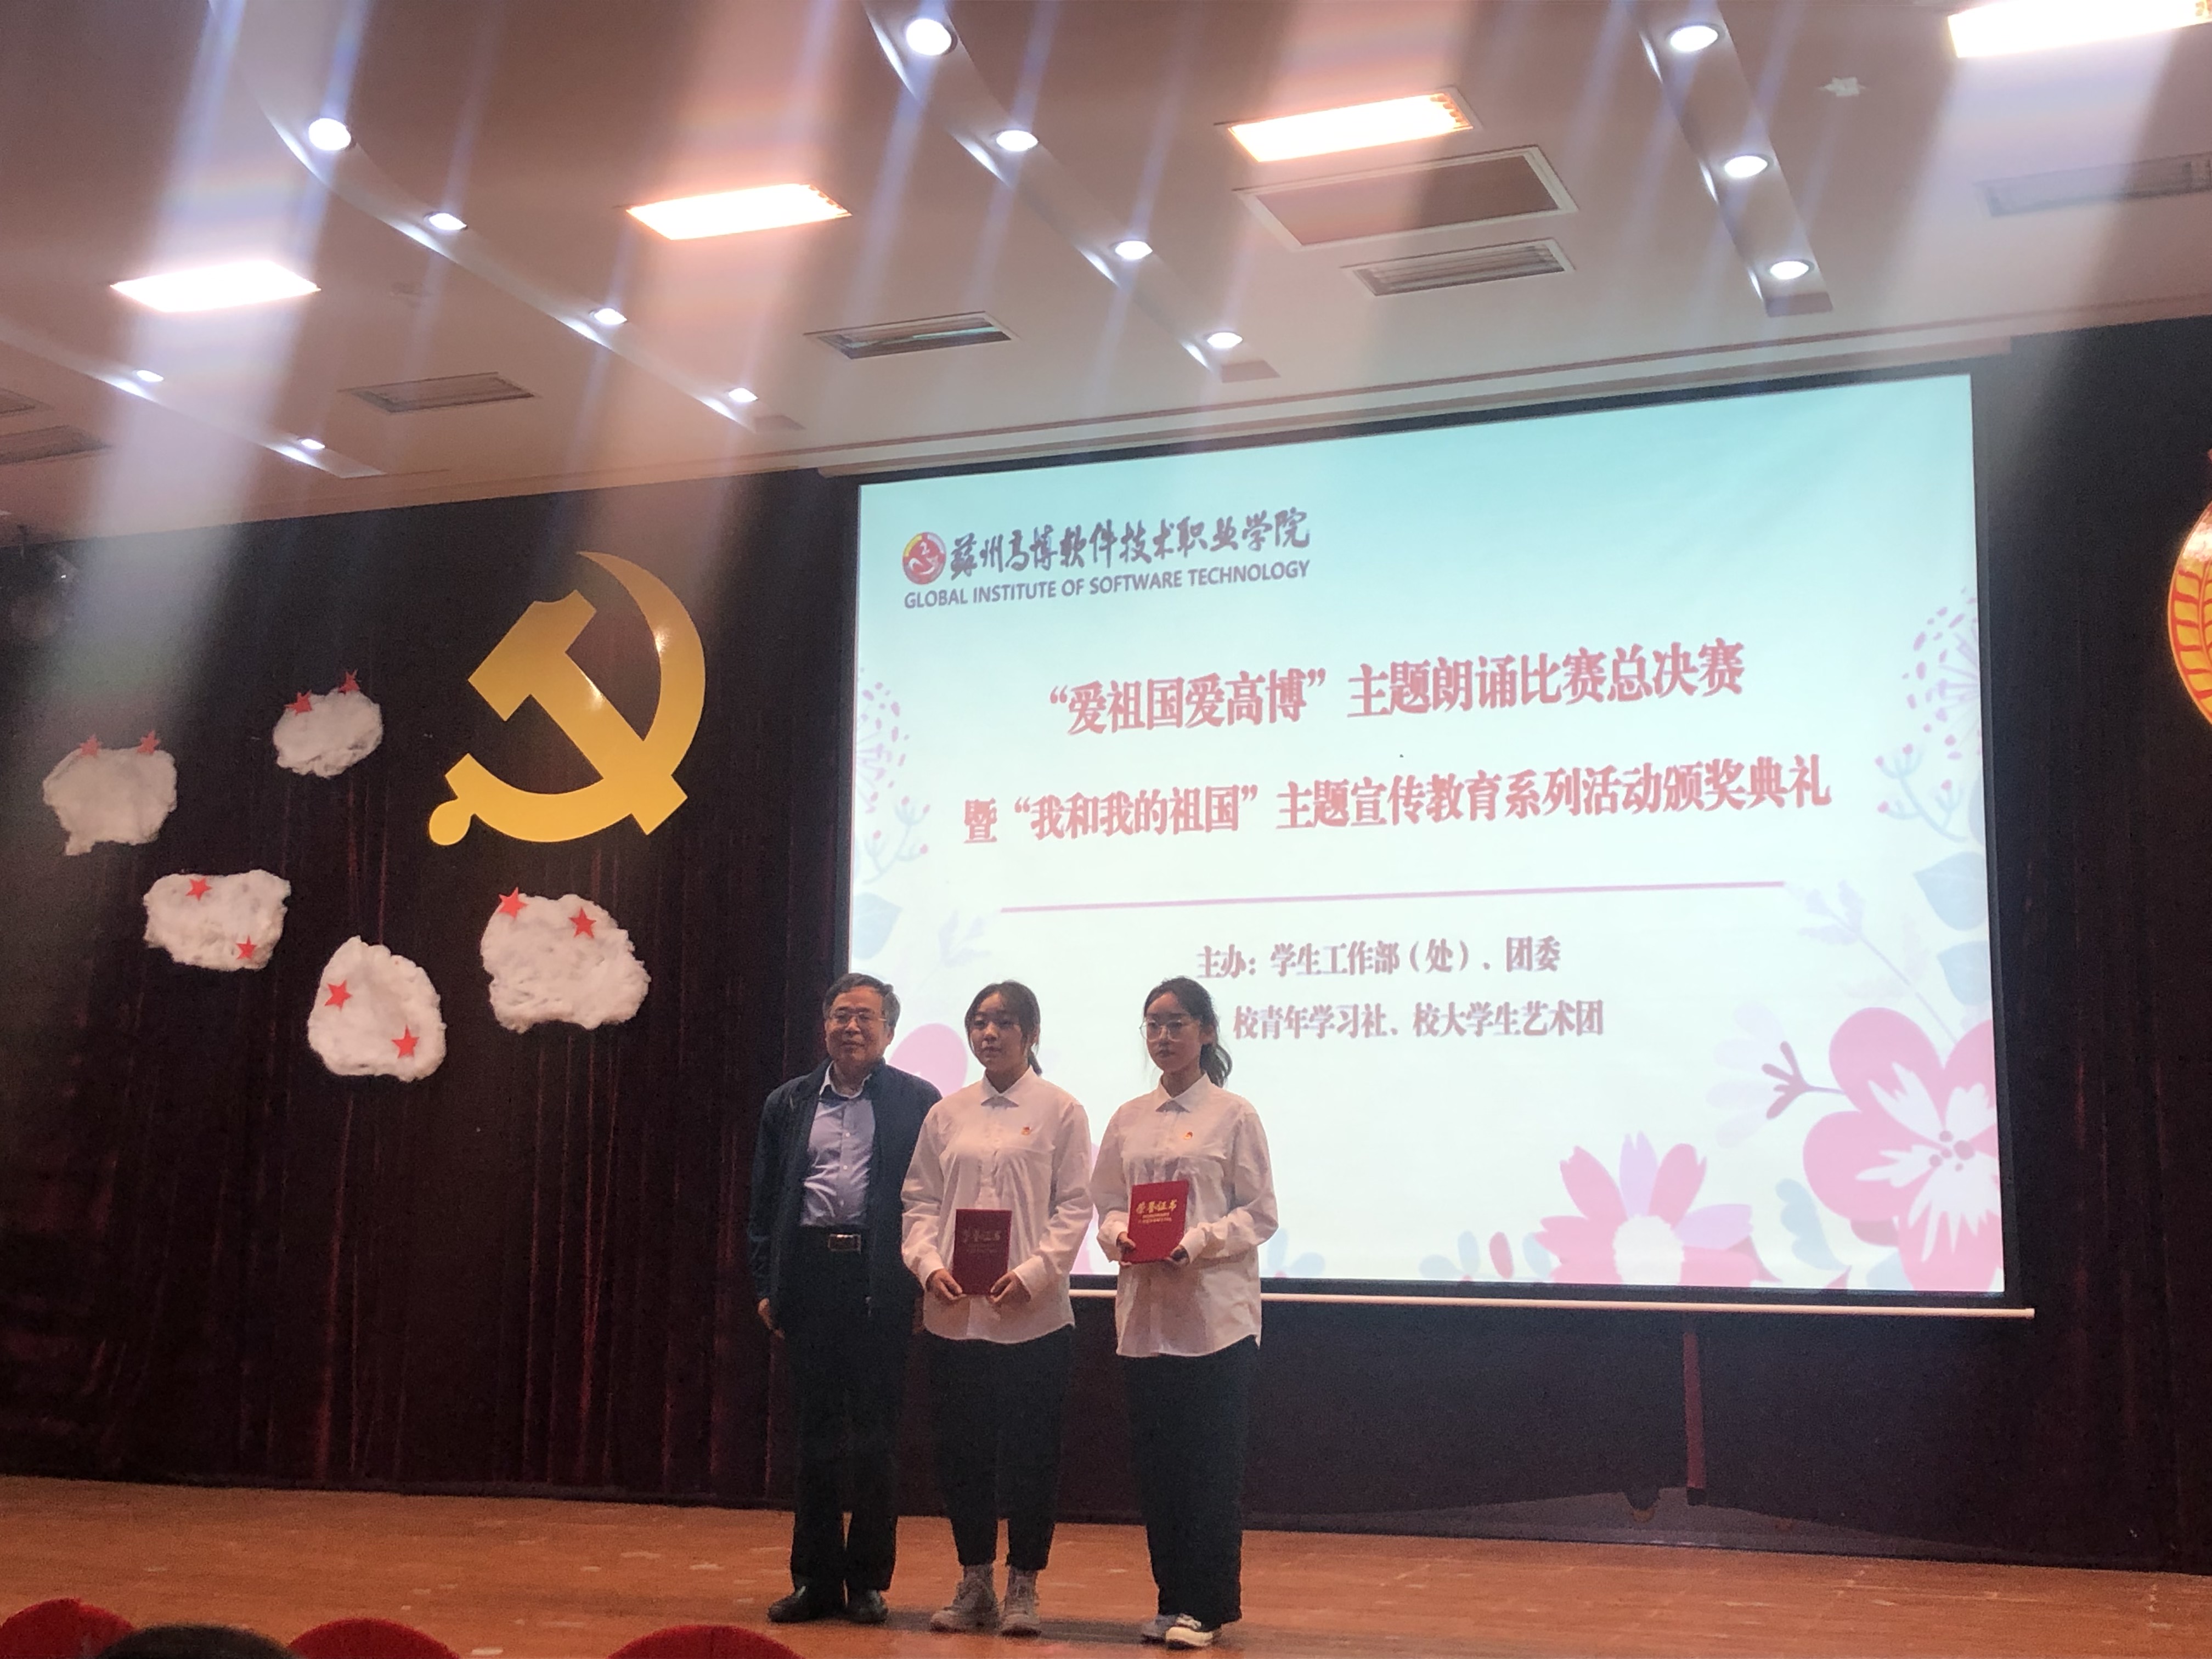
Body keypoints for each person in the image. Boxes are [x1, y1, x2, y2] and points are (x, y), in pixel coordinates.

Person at [748, 971, 941, 1624]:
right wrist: (767, 1285)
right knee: (816, 1438)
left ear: (889, 1029)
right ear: (824, 1024)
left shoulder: (918, 1101)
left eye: (865, 1017)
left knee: (877, 1440)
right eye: (840, 1015)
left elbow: (934, 1200)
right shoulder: (789, 1102)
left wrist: (922, 1285)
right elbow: (763, 1204)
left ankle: (867, 1583)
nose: (851, 1027)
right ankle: (814, 1581)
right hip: (810, 1277)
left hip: (881, 1277)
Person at [1091, 976, 1278, 1652]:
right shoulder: (1128, 1118)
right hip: (1146, 1320)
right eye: (1153, 1025)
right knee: (1159, 1470)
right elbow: (1107, 1202)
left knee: (1210, 1471)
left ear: (1206, 1031)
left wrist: (1198, 1241)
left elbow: (1260, 1213)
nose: (1163, 1036)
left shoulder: (1234, 1114)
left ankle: (1207, 1606)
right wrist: (1119, 1236)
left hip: (1215, 1321)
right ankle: (1171, 1599)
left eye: (1176, 1024)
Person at [901, 981, 1092, 1639]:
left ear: (1031, 1033)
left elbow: (1075, 1206)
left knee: (1032, 1455)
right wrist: (929, 1265)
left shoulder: (1061, 1110)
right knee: (963, 1454)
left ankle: (1023, 1585)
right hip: (956, 1314)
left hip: (1033, 1319)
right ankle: (975, 1580)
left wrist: (1034, 1273)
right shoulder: (947, 1113)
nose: (989, 1033)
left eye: (1004, 1022)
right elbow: (919, 1202)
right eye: (979, 1022)